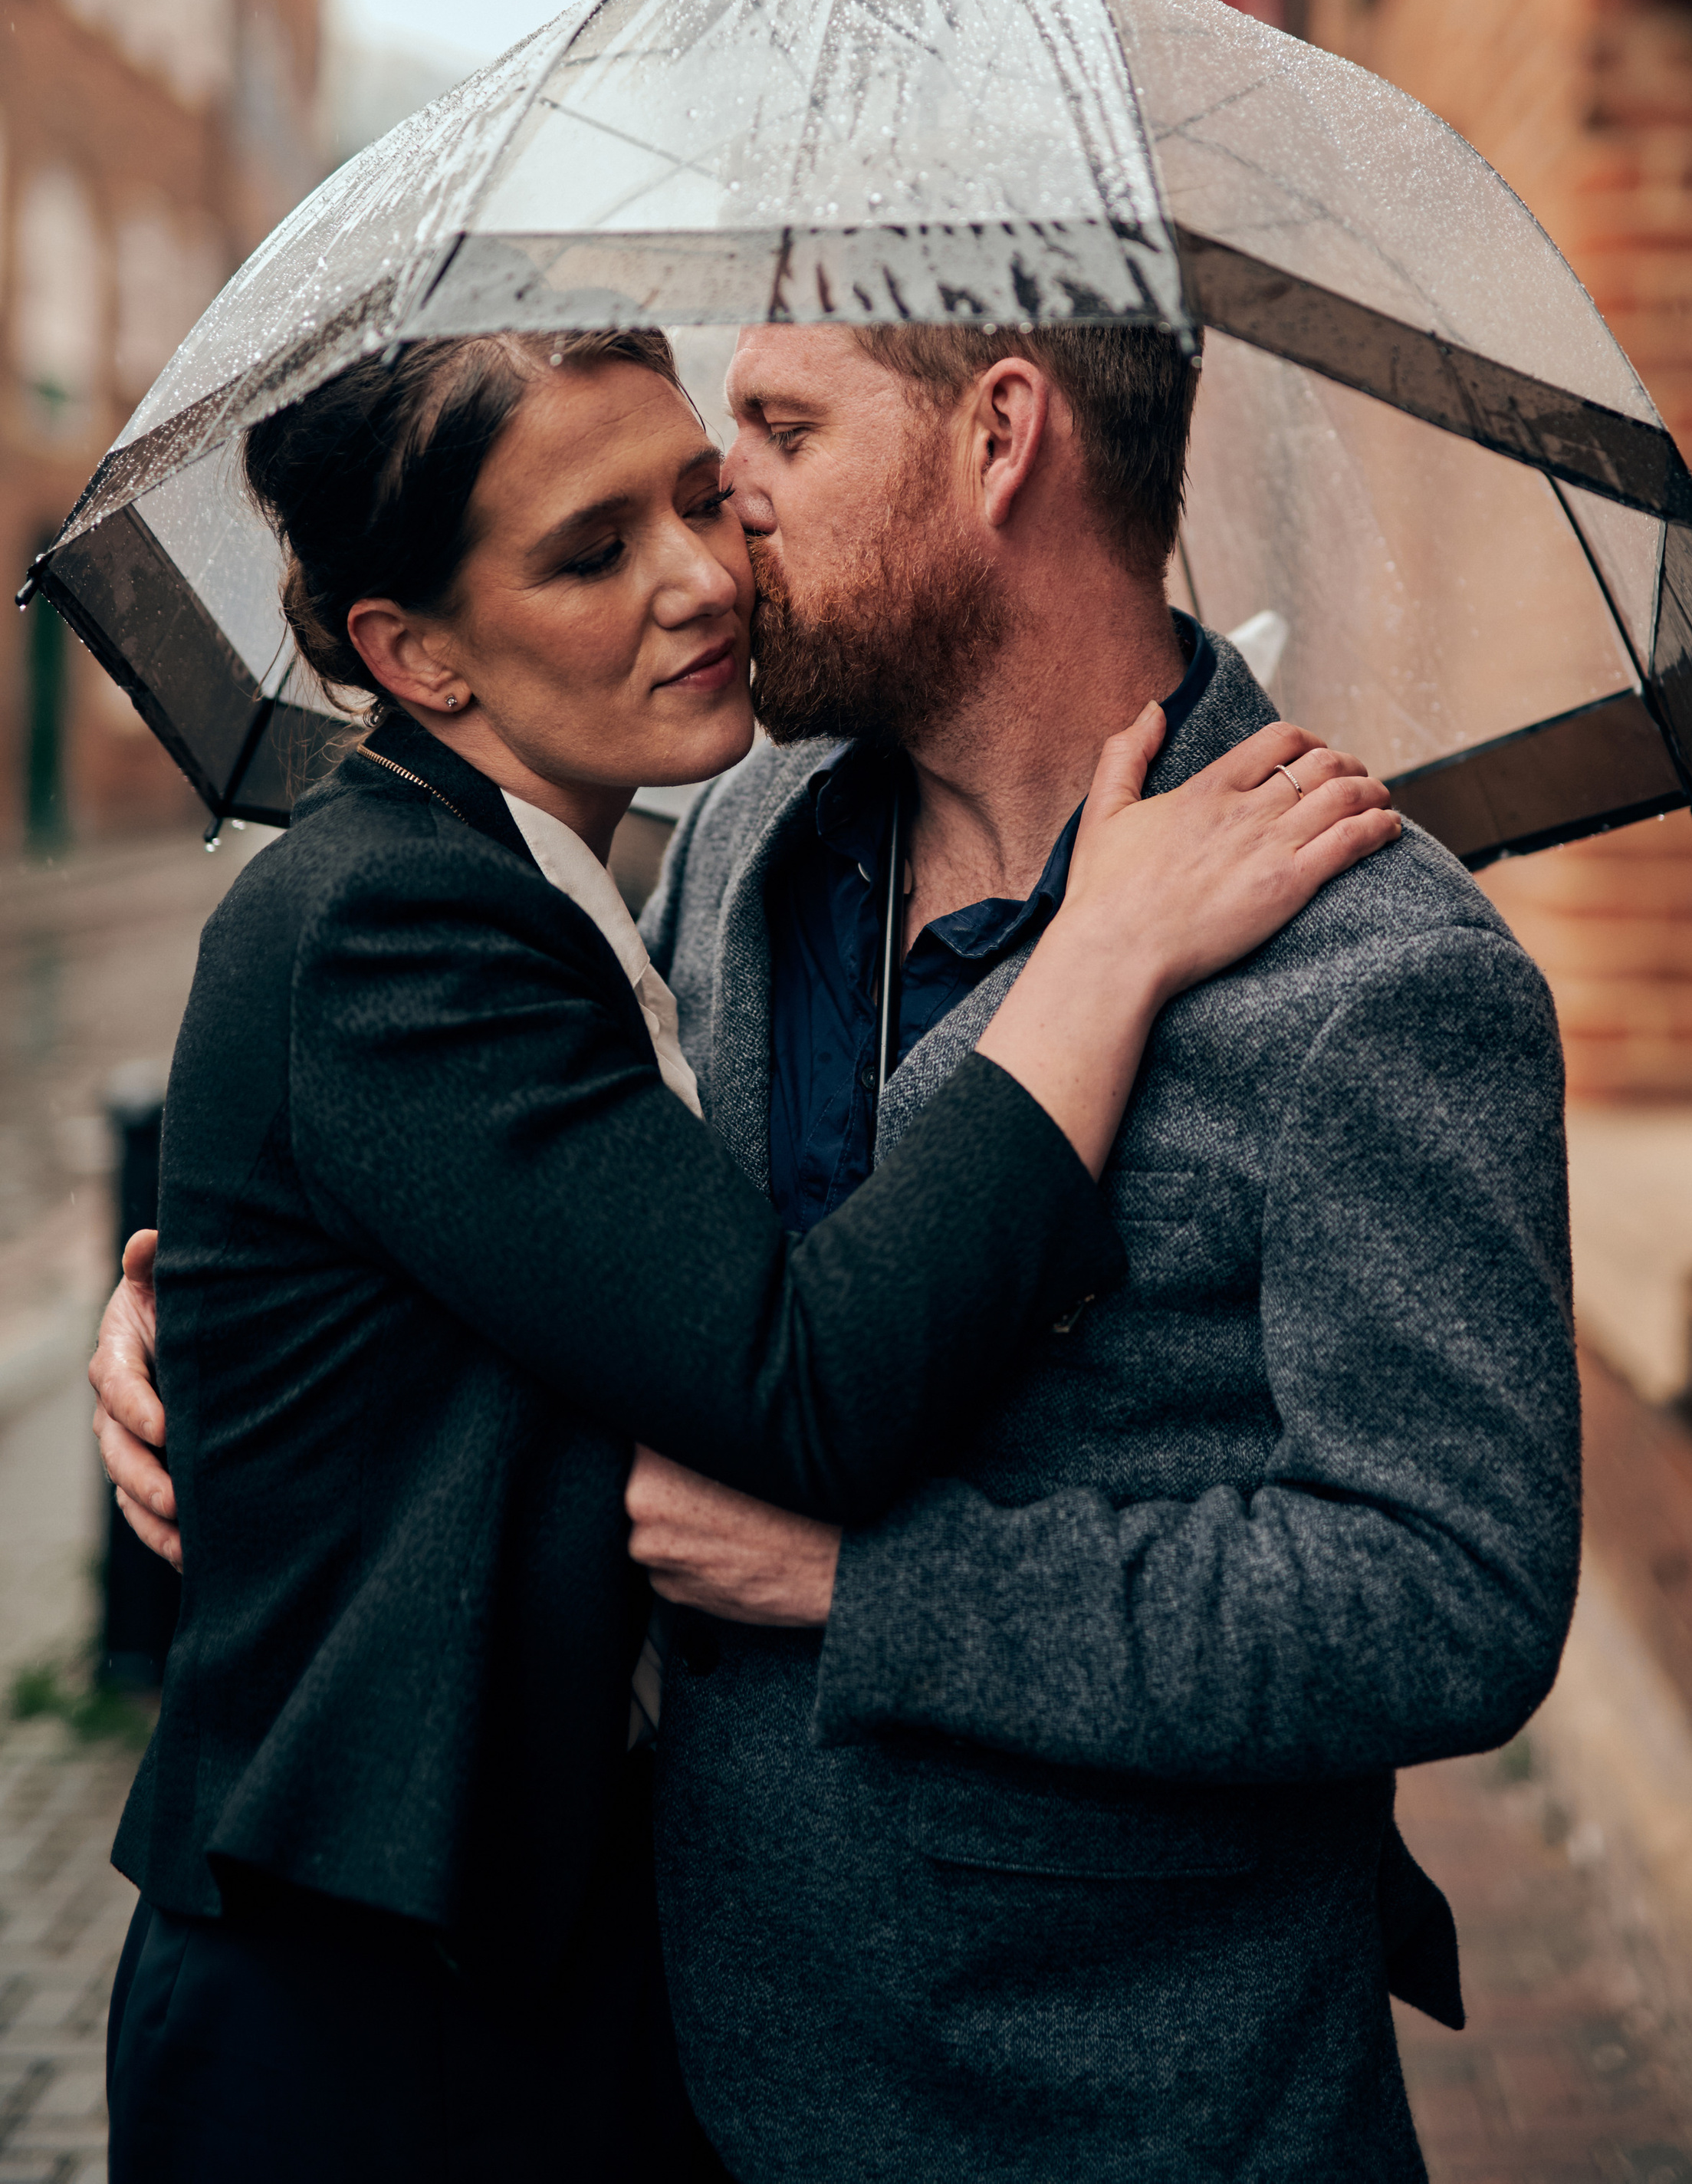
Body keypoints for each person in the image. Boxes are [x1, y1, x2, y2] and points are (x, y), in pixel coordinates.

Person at [90, 322, 1398, 2184]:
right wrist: (1102, 954)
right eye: (588, 552)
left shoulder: (602, 881)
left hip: (584, 1976)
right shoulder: (396, 920)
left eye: (702, 491)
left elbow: (529, 1266)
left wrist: (223, 1327)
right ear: (417, 656)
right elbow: (802, 1378)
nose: (703, 574)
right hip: (366, 2019)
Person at [614, 319, 1582, 2179]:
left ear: (998, 436)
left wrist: (869, 1585)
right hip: (705, 2070)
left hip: (1129, 2109)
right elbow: (606, 1270)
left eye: (783, 426)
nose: (722, 486)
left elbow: (1449, 1595)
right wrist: (241, 1341)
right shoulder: (738, 842)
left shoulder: (1379, 976)